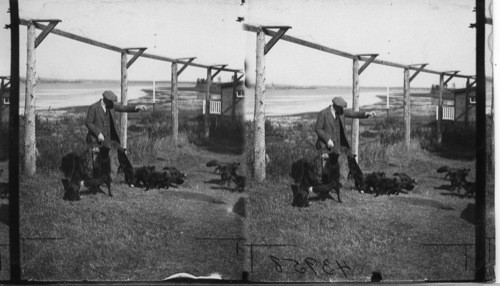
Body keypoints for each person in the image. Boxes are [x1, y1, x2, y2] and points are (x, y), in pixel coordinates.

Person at [85, 90, 147, 191]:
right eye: (110, 101)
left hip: (109, 139)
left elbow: (123, 108)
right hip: (97, 139)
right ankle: (95, 186)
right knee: (97, 162)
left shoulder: (111, 106)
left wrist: (137, 107)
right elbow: (88, 123)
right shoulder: (93, 107)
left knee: (113, 158)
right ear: (105, 99)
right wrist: (98, 133)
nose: (112, 104)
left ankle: (119, 180)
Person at [315, 96, 376, 185]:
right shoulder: (323, 113)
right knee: (325, 168)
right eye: (340, 107)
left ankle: (334, 184)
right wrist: (327, 139)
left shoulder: (340, 112)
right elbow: (318, 129)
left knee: (335, 165)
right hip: (325, 145)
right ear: (335, 106)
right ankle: (324, 189)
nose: (342, 109)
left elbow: (353, 114)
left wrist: (366, 113)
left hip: (337, 145)